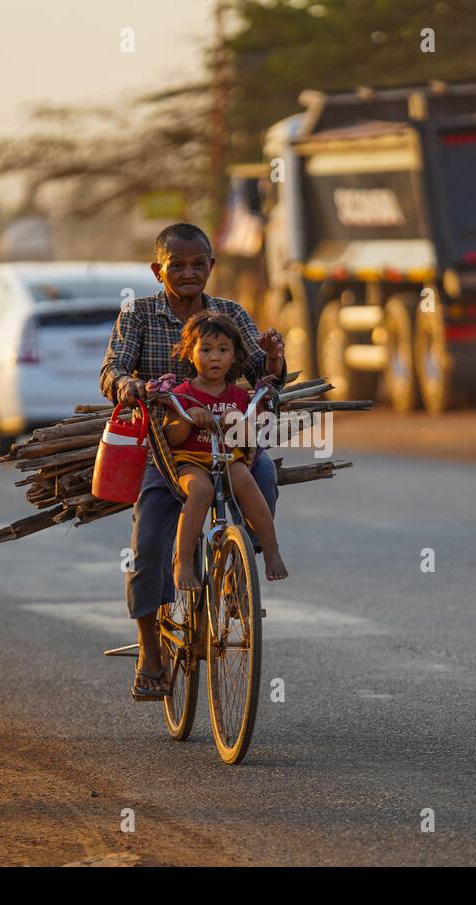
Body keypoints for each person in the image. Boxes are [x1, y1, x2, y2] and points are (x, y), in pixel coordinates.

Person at [99, 222, 285, 700]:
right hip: (168, 448)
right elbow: (113, 369)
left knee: (262, 472)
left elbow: (263, 377)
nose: (187, 273)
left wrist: (271, 361)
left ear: (210, 267)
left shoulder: (230, 314)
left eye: (196, 264)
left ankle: (237, 567)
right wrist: (128, 386)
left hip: (228, 441)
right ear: (157, 269)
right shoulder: (138, 315)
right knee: (148, 549)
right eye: (175, 265)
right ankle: (150, 652)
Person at [165, 312, 288, 590]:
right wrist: (189, 416)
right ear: (190, 354)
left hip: (228, 457)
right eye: (206, 350)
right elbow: (172, 438)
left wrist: (236, 419)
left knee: (246, 479)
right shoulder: (182, 393)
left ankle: (270, 549)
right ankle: (183, 561)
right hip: (191, 460)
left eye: (223, 350)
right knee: (200, 490)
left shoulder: (239, 397)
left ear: (235, 357)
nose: (215, 357)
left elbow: (247, 444)